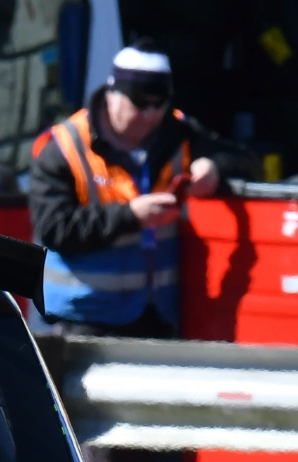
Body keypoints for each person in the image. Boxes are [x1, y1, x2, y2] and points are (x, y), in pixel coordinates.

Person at [31, 43, 253, 338]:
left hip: (157, 317)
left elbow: (247, 161)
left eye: (158, 105)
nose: (150, 115)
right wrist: (131, 216)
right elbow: (54, 228)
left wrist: (214, 169)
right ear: (112, 95)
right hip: (85, 318)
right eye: (140, 104)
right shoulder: (63, 148)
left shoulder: (177, 132)